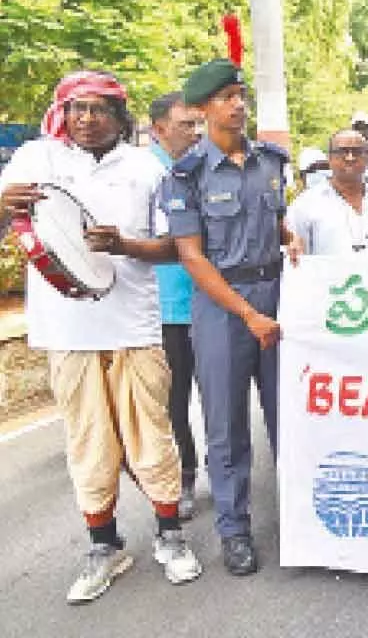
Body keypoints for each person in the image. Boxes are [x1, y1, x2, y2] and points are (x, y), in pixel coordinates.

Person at [0, 71, 201, 602]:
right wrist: (2, 207)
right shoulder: (34, 160)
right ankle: (104, 546)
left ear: (120, 116)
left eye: (100, 110)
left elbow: (174, 246)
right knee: (89, 442)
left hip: (134, 324)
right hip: (66, 330)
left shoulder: (145, 168)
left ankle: (170, 537)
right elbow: (7, 227)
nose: (87, 120)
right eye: (77, 109)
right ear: (63, 113)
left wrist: (124, 246)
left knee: (151, 437)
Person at [164, 58, 302, 576]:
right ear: (202, 109)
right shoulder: (187, 174)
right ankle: (235, 530)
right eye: (225, 97)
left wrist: (291, 238)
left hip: (278, 297)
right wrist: (247, 312)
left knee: (288, 413)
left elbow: (276, 218)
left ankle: (300, 517)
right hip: (225, 309)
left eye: (241, 94)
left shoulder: (271, 161)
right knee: (226, 424)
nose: (238, 104)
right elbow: (193, 257)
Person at [147, 92, 203, 521]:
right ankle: (184, 479)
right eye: (187, 124)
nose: (196, 132)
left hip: (213, 301)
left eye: (199, 123)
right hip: (165, 311)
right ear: (159, 129)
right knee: (175, 402)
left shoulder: (204, 168)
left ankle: (228, 477)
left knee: (224, 397)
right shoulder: (144, 173)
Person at [287, 128, 368, 254]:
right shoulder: (306, 205)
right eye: (342, 152)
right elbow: (297, 257)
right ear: (329, 158)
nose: (350, 158)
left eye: (357, 152)